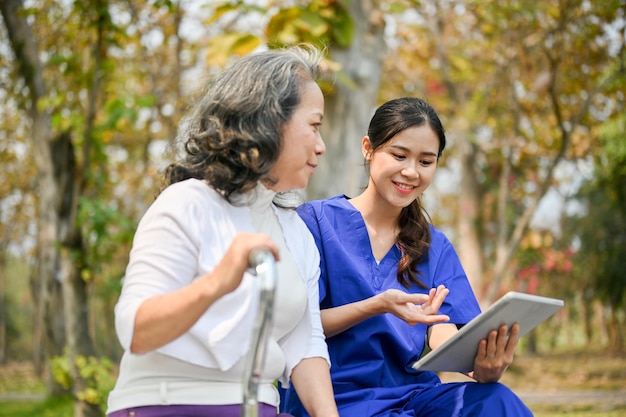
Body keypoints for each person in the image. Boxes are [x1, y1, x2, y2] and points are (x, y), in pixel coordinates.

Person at [106, 44, 340, 417]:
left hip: (258, 405)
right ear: (269, 121)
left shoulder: (297, 234)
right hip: (167, 404)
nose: (321, 145)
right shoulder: (187, 204)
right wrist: (217, 282)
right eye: (313, 126)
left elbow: (305, 342)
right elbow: (135, 331)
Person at [281, 97, 534, 416]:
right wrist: (377, 305)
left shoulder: (433, 244)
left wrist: (482, 369)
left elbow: (443, 329)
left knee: (496, 399)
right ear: (368, 148)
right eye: (399, 155)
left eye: (426, 162)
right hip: (333, 397)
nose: (411, 172)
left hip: (412, 395)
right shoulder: (314, 224)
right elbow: (294, 325)